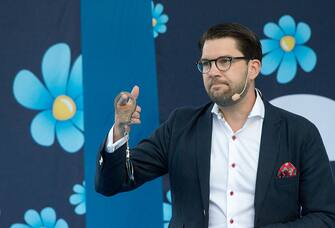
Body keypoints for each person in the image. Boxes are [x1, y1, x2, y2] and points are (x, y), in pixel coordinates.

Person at [95, 23, 335, 228]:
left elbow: (325, 217)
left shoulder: (299, 133)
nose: (213, 71)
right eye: (206, 64)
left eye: (225, 61)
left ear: (253, 68)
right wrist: (120, 128)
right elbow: (112, 183)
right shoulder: (180, 127)